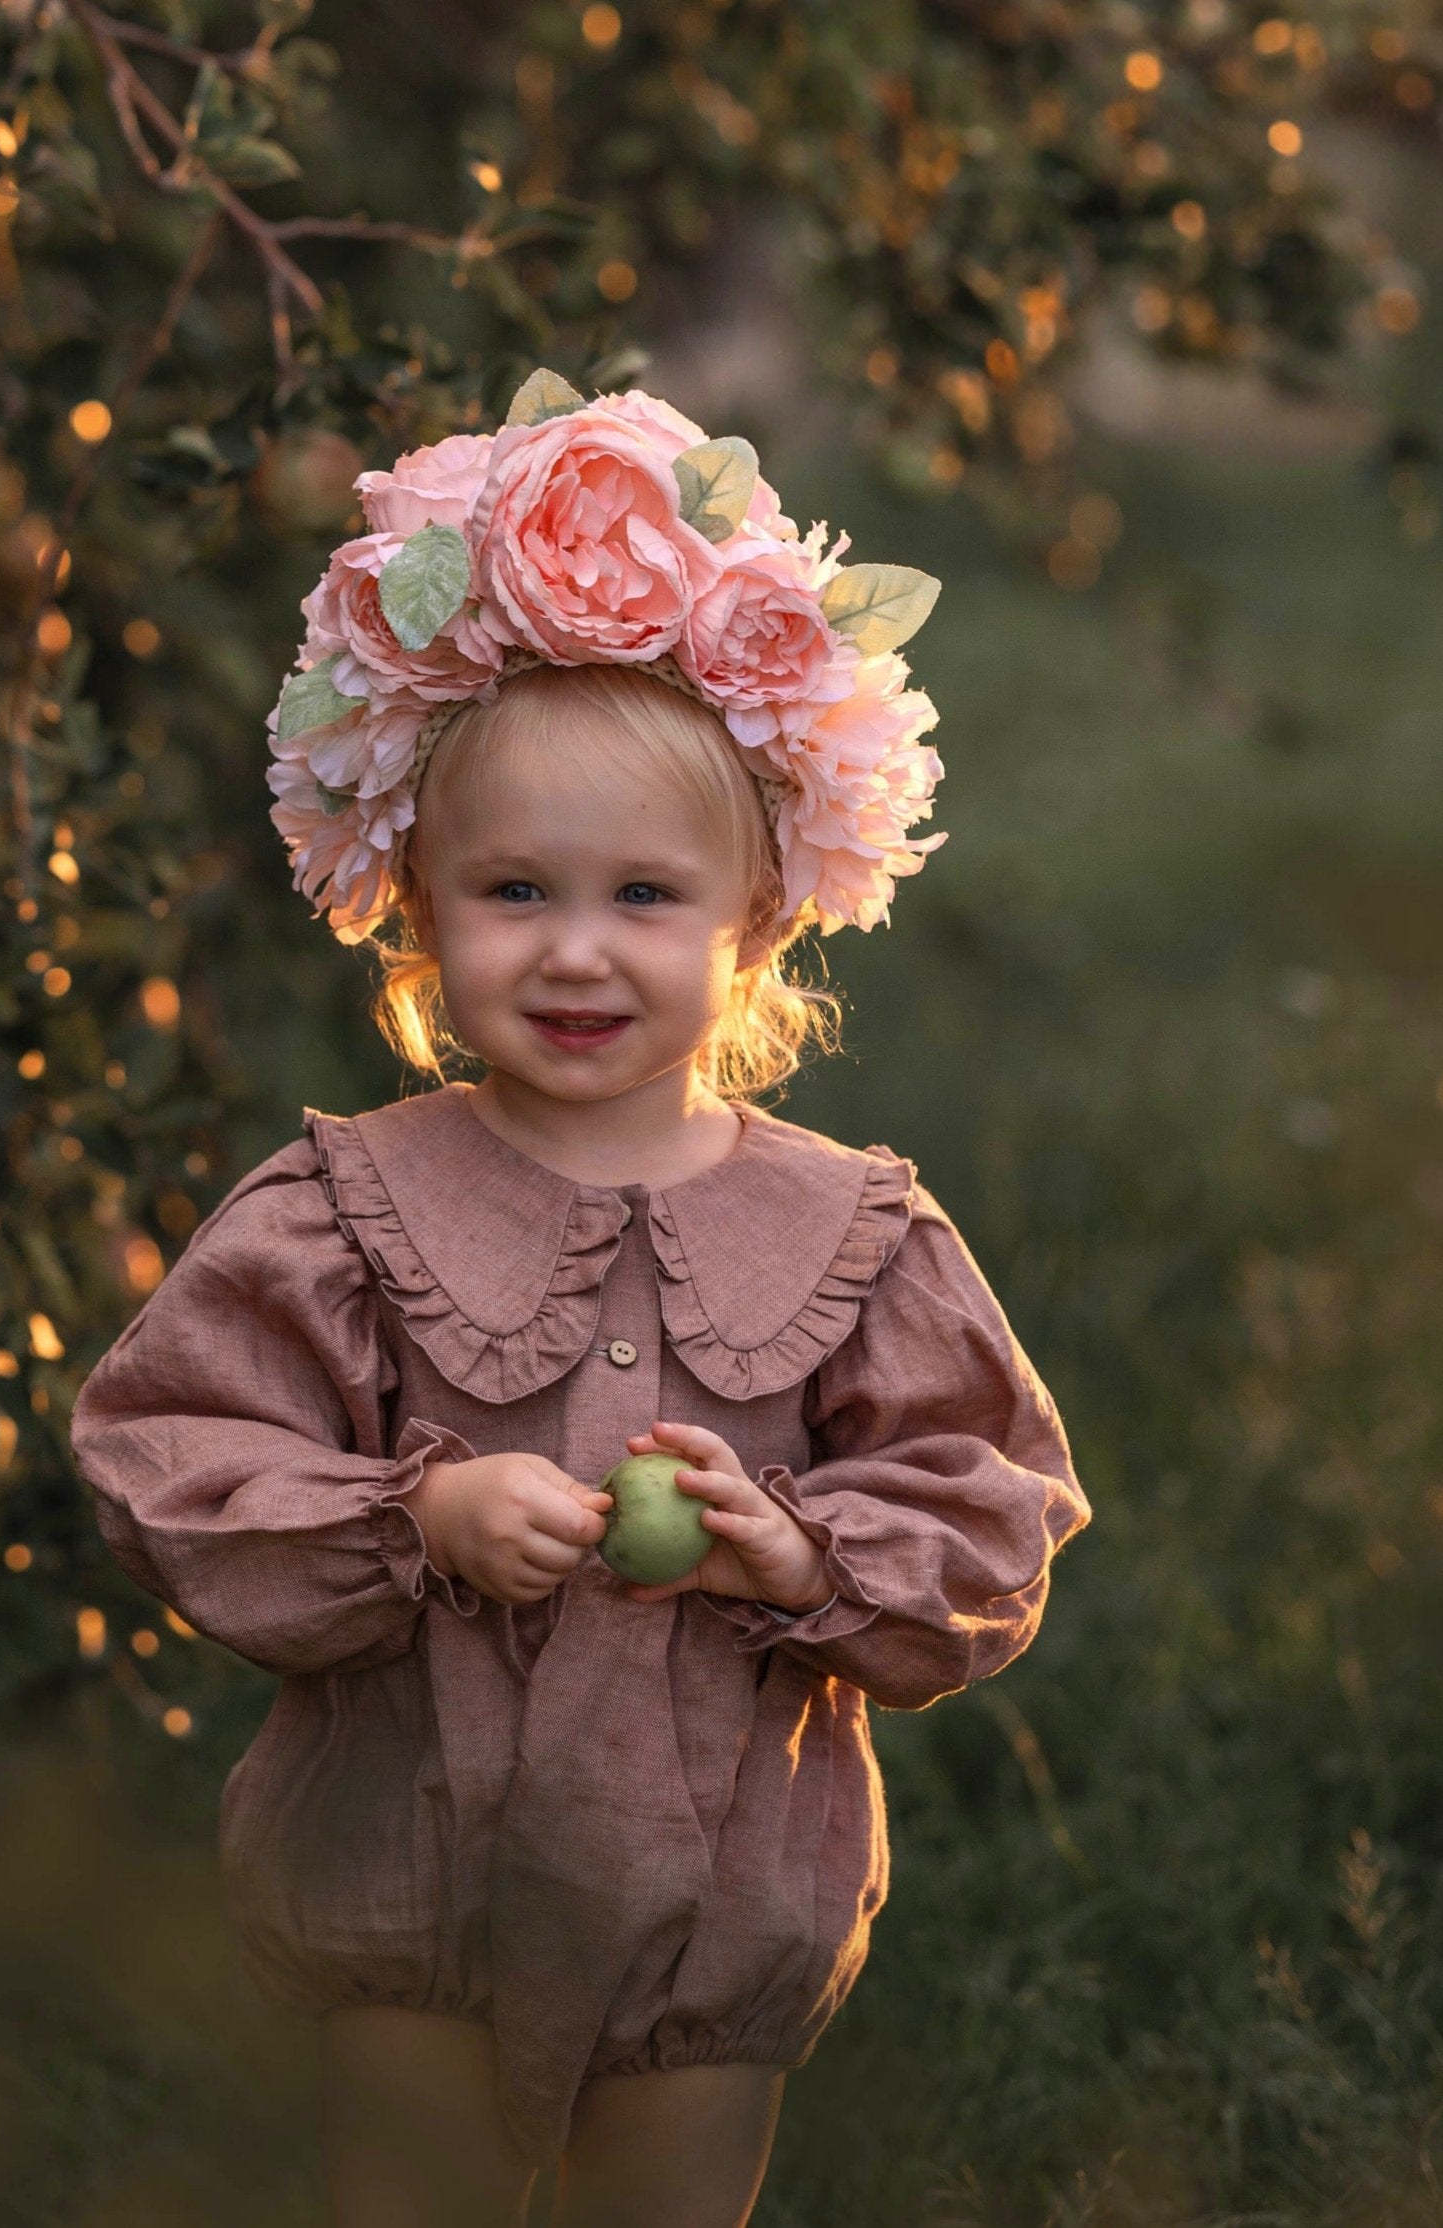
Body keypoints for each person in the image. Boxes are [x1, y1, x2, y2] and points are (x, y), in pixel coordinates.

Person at [69, 370, 1091, 2228]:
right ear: (416, 904)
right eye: (514, 889)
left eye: (643, 894)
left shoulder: (856, 1231)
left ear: (756, 917)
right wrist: (418, 1513)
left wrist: (798, 1555)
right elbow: (168, 1451)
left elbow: (987, 1506)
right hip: (413, 1882)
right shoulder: (343, 1209)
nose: (575, 948)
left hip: (722, 1906)